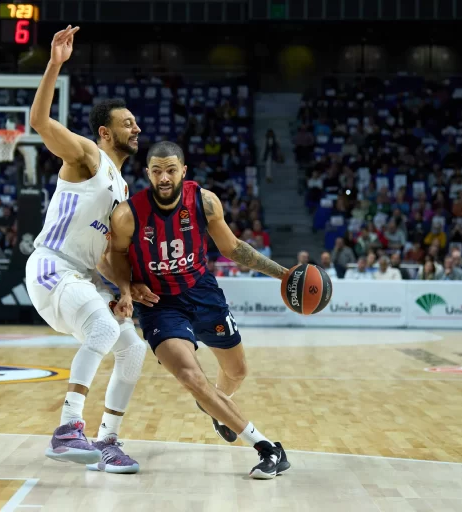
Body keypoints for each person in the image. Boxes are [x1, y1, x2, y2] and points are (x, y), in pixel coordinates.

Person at [107, 141, 290, 479]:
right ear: (148, 172)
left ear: (183, 171)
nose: (164, 177)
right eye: (157, 170)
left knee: (236, 372)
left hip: (203, 293)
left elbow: (233, 248)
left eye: (171, 169)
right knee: (191, 377)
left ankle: (217, 406)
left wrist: (284, 274)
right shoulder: (127, 214)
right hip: (161, 306)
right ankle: (268, 447)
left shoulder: (204, 202)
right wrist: (125, 288)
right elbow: (114, 255)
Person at [25, 25, 147, 474]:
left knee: (132, 348)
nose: (137, 127)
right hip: (51, 267)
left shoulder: (123, 185)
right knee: (103, 330)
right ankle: (66, 429)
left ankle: (108, 441)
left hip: (84, 276)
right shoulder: (88, 156)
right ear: (105, 132)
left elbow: (103, 254)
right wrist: (55, 63)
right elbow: (38, 121)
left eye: (135, 122)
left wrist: (125, 288)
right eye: (127, 123)